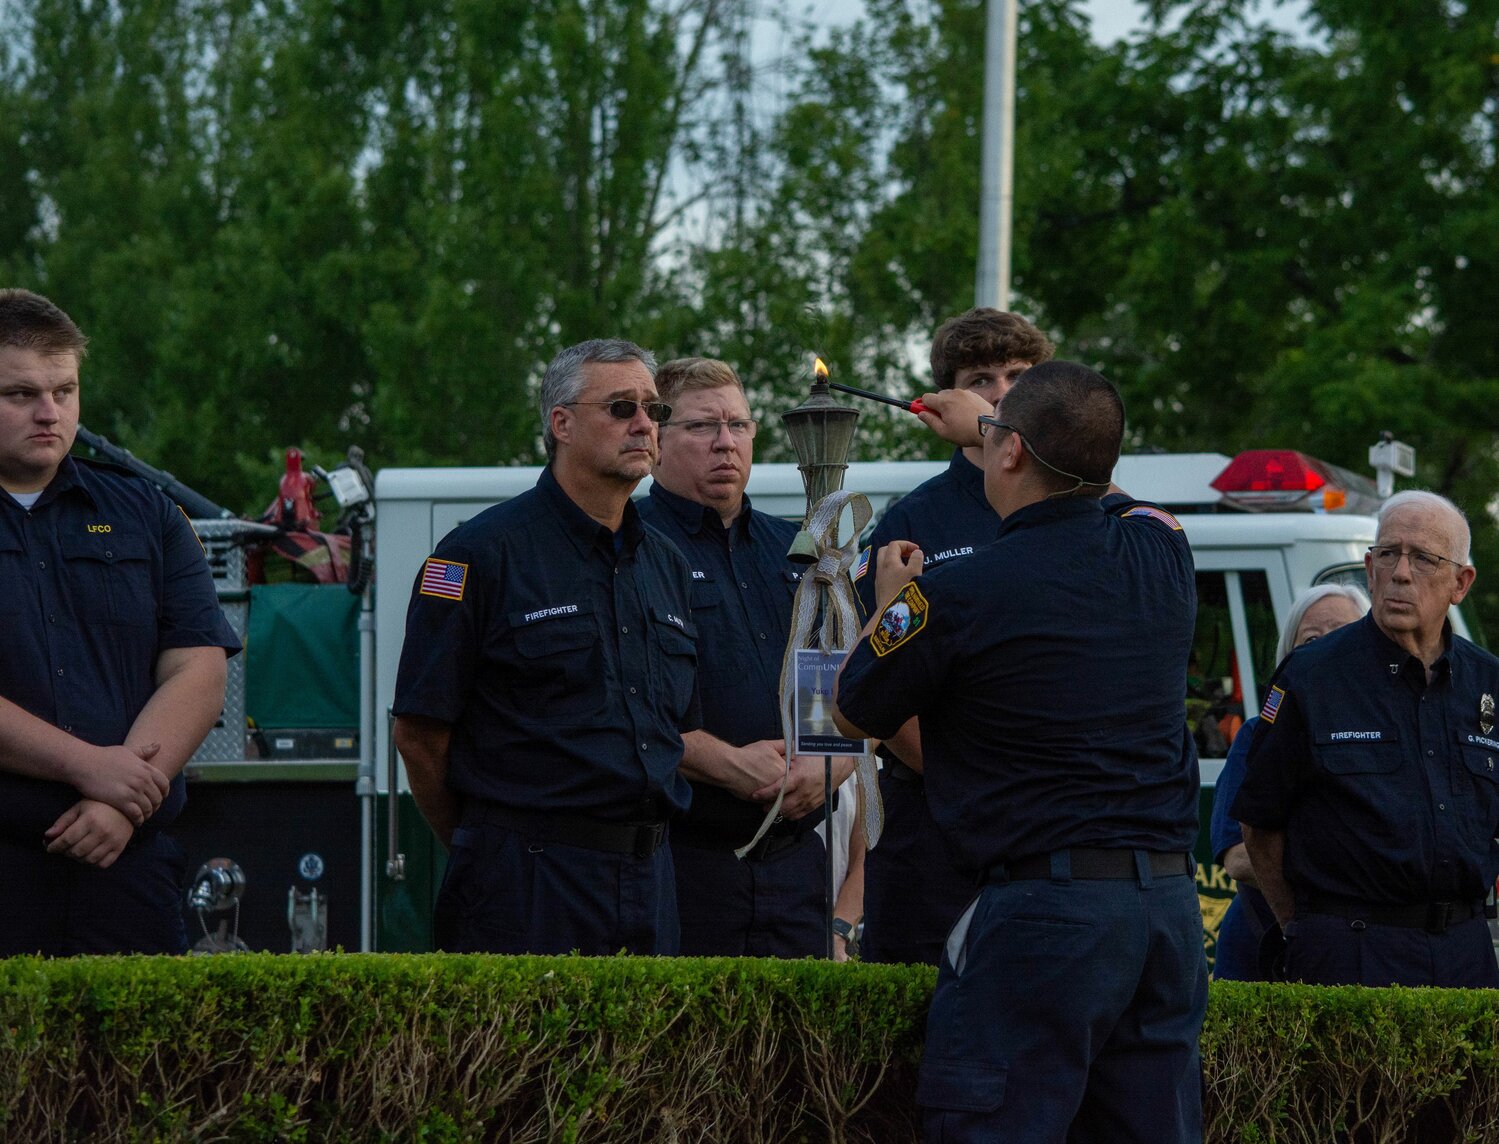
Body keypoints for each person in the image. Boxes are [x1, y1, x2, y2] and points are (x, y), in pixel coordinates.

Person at [834, 361, 1206, 1143]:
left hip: (1042, 915)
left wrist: (888, 604)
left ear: (1007, 454)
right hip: (1162, 916)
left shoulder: (956, 594)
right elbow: (1123, 498)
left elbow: (851, 706)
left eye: (998, 435)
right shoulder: (1162, 554)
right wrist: (997, 428)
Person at [392, 338, 700, 956]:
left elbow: (673, 727)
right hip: (526, 880)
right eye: (620, 408)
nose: (644, 423)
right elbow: (419, 736)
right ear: (561, 424)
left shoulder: (664, 562)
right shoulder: (479, 554)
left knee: (647, 1057)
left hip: (652, 879)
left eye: (653, 410)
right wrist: (488, 846)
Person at [0, 288, 238, 956]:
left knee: (144, 1062)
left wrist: (118, 802)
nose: (49, 412)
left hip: (125, 865)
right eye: (20, 394)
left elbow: (198, 668)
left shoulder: (146, 513)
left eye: (64, 390)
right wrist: (90, 768)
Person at [851, 307, 1054, 966]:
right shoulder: (915, 521)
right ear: (945, 399)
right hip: (937, 828)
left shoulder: (1076, 508)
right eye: (981, 379)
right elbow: (884, 685)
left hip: (1053, 826)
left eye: (1018, 376)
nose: (1000, 393)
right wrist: (967, 786)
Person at [1234, 490, 1499, 987]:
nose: (1400, 572)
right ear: (1369, 567)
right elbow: (1260, 827)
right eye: (1387, 554)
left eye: (1423, 558)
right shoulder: (1311, 678)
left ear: (1460, 583)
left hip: (1467, 955)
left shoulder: (1488, 685)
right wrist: (1304, 930)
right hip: (1348, 954)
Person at [638, 357, 853, 957]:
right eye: (703, 426)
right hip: (684, 864)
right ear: (656, 438)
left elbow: (827, 667)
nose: (726, 443)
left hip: (795, 866)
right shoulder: (631, 546)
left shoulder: (795, 548)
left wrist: (827, 761)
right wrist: (728, 763)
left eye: (739, 424)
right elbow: (624, 703)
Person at [1209, 584, 1368, 981]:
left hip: (1360, 954)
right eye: (1312, 638)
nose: (1326, 649)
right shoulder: (1255, 736)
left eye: (1343, 634)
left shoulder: (1389, 742)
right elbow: (1237, 857)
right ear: (1288, 653)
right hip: (1261, 950)